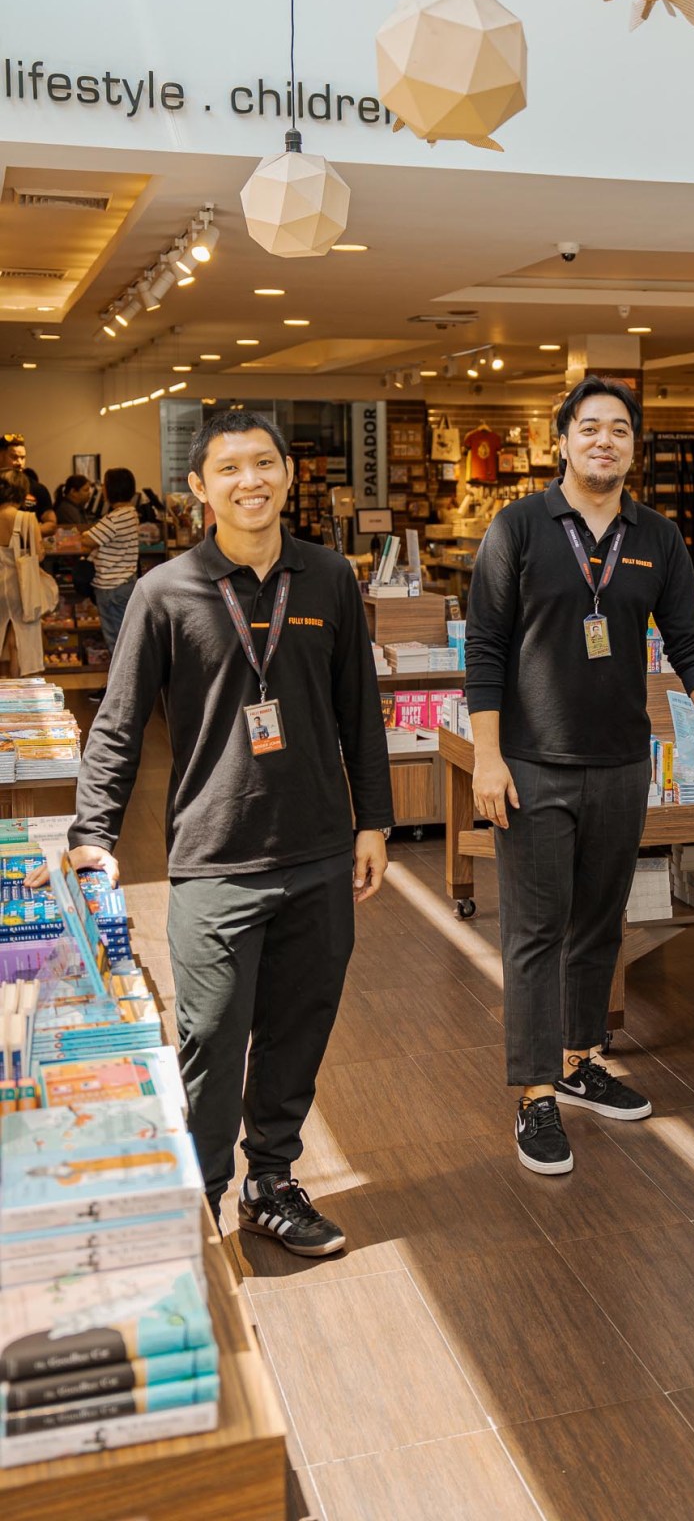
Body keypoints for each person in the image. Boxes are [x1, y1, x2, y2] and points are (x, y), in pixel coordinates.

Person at [63, 410, 393, 1254]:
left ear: (287, 475)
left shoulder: (327, 580)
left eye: (264, 464)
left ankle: (272, 1181)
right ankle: (200, 1203)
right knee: (210, 1033)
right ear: (198, 489)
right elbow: (121, 719)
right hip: (214, 856)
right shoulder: (165, 589)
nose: (250, 481)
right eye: (230, 469)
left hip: (320, 848)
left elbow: (360, 708)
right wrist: (92, 830)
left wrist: (375, 823)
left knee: (300, 1025)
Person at [465, 377, 694, 1176]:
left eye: (620, 431)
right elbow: (485, 649)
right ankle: (534, 1097)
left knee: (600, 922)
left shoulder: (657, 538)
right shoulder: (519, 527)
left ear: (634, 447)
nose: (605, 440)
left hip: (623, 760)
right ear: (561, 439)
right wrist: (488, 758)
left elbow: (691, 645)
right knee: (535, 933)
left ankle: (578, 1059)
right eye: (589, 427)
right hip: (532, 764)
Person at [83, 467, 141, 656]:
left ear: (110, 490)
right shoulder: (131, 513)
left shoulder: (115, 518)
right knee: (129, 637)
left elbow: (87, 540)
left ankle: (122, 684)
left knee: (117, 642)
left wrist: (83, 534)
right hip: (126, 582)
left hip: (111, 586)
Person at [0, 473, 45, 676]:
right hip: (20, 585)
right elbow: (38, 554)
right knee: (19, 639)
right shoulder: (26, 519)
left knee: (3, 636)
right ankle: (15, 689)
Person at [0, 435, 54, 537]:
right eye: (14, 457)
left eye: (23, 458)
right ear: (1, 456)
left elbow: (51, 524)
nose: (20, 463)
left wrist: (25, 532)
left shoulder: (37, 488)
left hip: (26, 549)